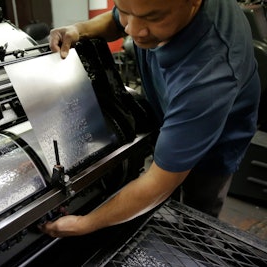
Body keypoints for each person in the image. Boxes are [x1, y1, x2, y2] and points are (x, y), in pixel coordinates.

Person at [41, 0, 261, 238]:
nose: (132, 31)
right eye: (127, 12)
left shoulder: (208, 78)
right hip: (176, 105)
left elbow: (159, 182)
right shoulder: (151, 9)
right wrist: (79, 29)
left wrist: (86, 223)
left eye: (153, 18)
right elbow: (116, 19)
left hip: (216, 140)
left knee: (198, 209)